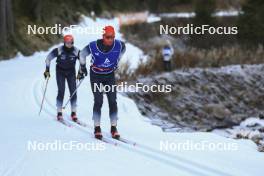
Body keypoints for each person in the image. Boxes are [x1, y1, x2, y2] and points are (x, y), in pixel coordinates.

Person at [78, 25, 126, 139]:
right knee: (99, 101)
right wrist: (82, 67)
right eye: (108, 37)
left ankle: (114, 128)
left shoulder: (119, 45)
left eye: (112, 37)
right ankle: (97, 128)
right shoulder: (93, 46)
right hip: (96, 76)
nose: (110, 39)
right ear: (103, 36)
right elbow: (82, 54)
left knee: (113, 101)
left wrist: (117, 60)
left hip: (109, 76)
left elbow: (123, 49)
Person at [43, 34, 81, 122]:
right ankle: (59, 112)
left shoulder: (76, 51)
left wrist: (81, 71)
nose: (69, 45)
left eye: (70, 43)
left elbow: (82, 60)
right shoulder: (59, 50)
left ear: (73, 42)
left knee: (73, 91)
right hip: (60, 72)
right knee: (61, 91)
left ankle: (73, 113)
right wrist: (47, 70)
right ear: (64, 43)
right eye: (67, 43)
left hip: (71, 72)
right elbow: (48, 58)